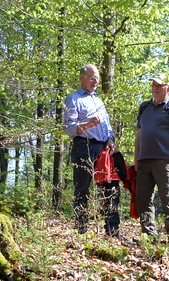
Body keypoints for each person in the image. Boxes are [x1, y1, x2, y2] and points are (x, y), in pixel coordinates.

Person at [62, 64, 115, 234]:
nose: (96, 81)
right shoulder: (73, 99)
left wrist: (110, 139)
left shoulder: (99, 100)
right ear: (82, 77)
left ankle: (112, 230)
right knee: (82, 188)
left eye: (98, 78)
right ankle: (82, 230)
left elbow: (107, 126)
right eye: (92, 77)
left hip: (103, 149)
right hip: (83, 146)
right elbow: (68, 127)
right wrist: (88, 124)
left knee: (110, 187)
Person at [134, 75, 169, 242]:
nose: (154, 87)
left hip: (165, 161)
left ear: (168, 88)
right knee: (143, 200)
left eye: (159, 84)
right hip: (144, 161)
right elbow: (139, 134)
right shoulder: (144, 107)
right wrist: (136, 158)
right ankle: (149, 237)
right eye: (153, 84)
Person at [93, 144, 129, 238]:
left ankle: (112, 230)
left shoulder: (109, 149)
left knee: (111, 202)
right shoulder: (102, 150)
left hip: (110, 176)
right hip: (107, 175)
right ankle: (112, 230)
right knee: (110, 202)